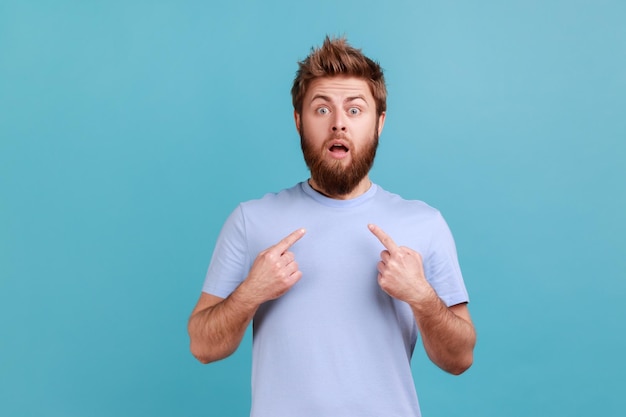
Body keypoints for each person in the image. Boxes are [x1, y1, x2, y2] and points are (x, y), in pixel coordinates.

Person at [188, 36, 476, 417]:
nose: (339, 124)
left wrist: (421, 296)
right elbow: (203, 348)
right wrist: (251, 292)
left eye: (355, 110)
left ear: (379, 122)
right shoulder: (250, 220)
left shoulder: (424, 224)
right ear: (298, 121)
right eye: (321, 110)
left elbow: (459, 359)